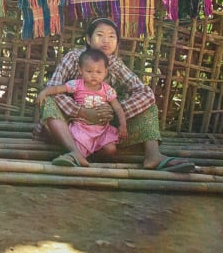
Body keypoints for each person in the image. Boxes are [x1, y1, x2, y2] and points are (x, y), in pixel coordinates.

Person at [38, 17, 195, 172]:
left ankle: (153, 156)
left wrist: (110, 114)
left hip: (104, 127)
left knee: (149, 106)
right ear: (88, 39)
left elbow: (145, 92)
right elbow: (52, 88)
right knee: (48, 98)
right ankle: (75, 152)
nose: (106, 40)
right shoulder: (73, 58)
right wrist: (82, 112)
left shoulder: (114, 64)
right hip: (73, 126)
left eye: (111, 36)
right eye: (100, 35)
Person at [36, 47, 127, 167]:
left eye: (98, 72)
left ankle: (90, 155)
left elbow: (118, 108)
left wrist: (123, 125)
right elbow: (58, 89)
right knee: (79, 146)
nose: (94, 75)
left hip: (102, 130)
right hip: (82, 128)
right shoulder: (77, 85)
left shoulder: (107, 90)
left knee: (111, 150)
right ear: (80, 70)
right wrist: (45, 92)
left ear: (105, 72)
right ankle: (74, 156)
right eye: (89, 71)